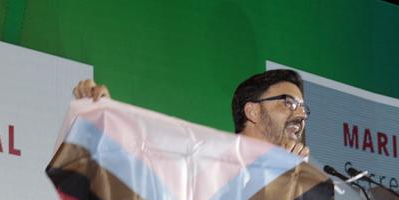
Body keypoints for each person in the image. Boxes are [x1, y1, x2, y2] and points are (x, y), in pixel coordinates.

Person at [72, 69, 310, 157]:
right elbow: (142, 169)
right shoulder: (206, 159)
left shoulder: (304, 181)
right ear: (253, 111)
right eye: (288, 102)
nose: (300, 113)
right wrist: (103, 114)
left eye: (302, 107)